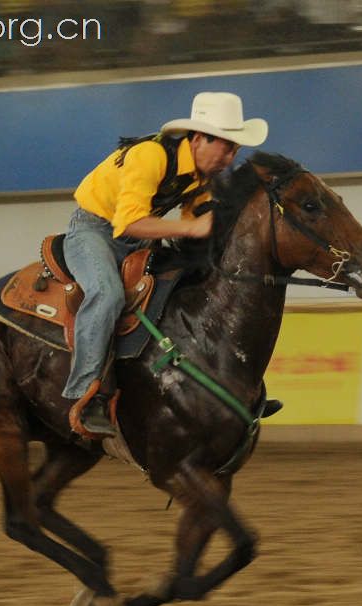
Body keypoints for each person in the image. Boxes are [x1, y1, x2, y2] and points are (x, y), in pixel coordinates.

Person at [62, 91, 269, 436]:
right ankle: (85, 395)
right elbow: (127, 223)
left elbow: (201, 219)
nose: (231, 157)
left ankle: (228, 389)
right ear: (200, 138)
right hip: (92, 231)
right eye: (227, 147)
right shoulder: (150, 156)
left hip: (138, 239)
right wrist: (192, 226)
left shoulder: (202, 177)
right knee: (107, 295)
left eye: (236, 149)